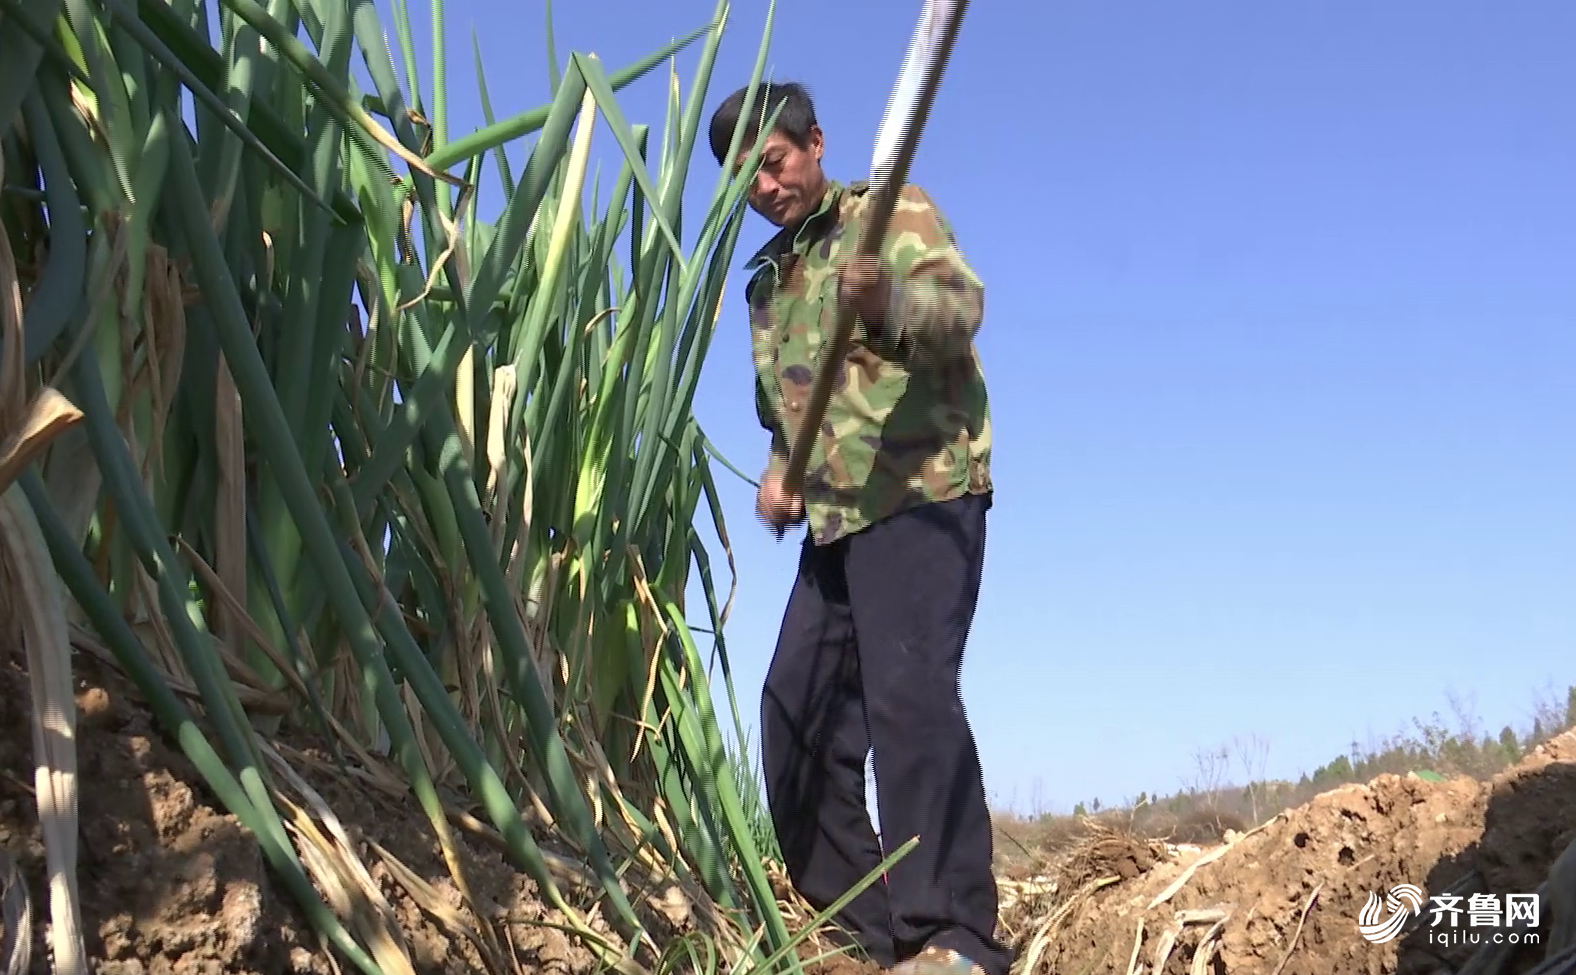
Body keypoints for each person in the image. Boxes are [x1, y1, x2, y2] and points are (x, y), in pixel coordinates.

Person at [706, 81, 1009, 975]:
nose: (764, 185)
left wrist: (886, 306)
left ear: (815, 145)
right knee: (791, 720)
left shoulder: (887, 215)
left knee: (909, 699)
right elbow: (787, 412)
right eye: (743, 176)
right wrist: (778, 473)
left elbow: (959, 311)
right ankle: (873, 939)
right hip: (835, 525)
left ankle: (955, 935)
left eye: (775, 160)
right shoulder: (768, 282)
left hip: (920, 492)